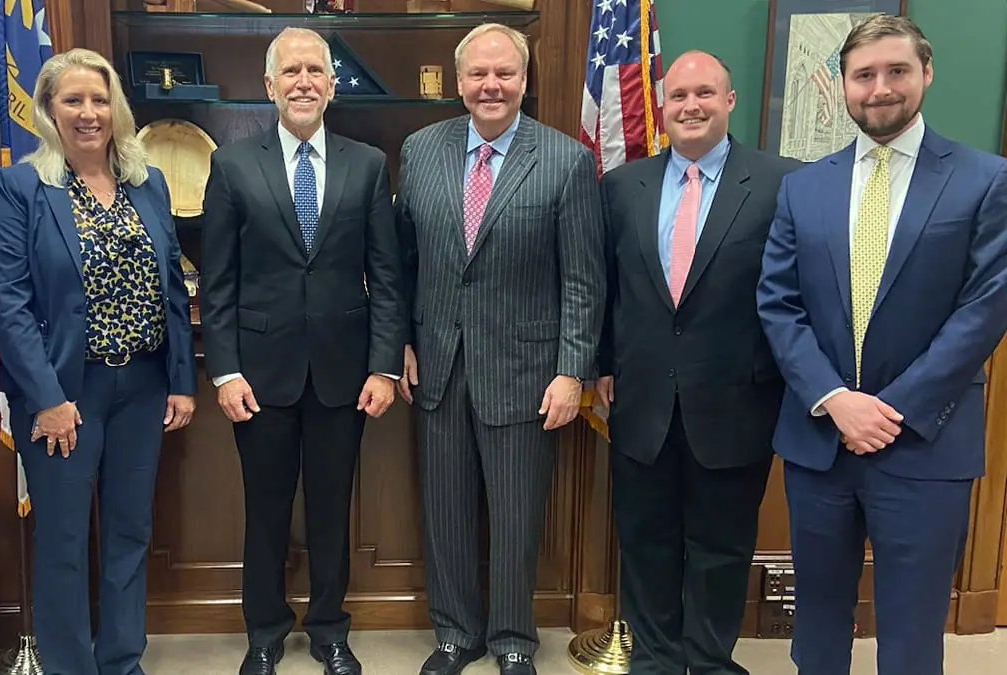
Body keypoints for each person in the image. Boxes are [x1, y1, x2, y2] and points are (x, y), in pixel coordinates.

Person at [756, 15, 1007, 675]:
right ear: (842, 85)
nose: (880, 88)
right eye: (863, 75)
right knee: (817, 620)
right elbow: (778, 304)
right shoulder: (802, 187)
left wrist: (889, 409)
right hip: (821, 442)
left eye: (896, 71)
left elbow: (984, 308)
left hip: (926, 441)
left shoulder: (985, 180)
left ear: (926, 72)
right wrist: (837, 399)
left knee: (911, 630)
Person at [395, 23, 605, 675]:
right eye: (478, 74)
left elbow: (583, 278)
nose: (491, 85)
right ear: (458, 83)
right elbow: (402, 259)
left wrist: (573, 370)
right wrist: (399, 339)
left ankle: (514, 637)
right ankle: (455, 633)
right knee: (446, 511)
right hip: (435, 362)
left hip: (525, 367)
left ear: (525, 80)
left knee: (516, 515)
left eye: (505, 74)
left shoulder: (566, 158)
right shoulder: (419, 150)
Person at [0, 47, 197, 675]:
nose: (88, 113)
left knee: (131, 534)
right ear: (49, 109)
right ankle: (71, 666)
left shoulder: (145, 180)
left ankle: (122, 660)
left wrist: (181, 380)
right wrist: (47, 399)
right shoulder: (23, 186)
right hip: (64, 395)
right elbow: (9, 302)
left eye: (99, 99)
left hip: (143, 385)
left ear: (116, 108)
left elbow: (172, 286)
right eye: (72, 100)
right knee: (65, 544)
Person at [199, 26, 403, 675]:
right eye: (291, 72)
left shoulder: (367, 163)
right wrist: (224, 369)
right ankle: (263, 631)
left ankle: (328, 629)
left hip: (345, 373)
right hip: (258, 375)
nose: (304, 82)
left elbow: (387, 274)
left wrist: (383, 363)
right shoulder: (232, 165)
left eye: (316, 70)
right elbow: (219, 279)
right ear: (269, 86)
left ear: (332, 84)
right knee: (264, 509)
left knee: (329, 510)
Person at [594, 51, 801, 675]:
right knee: (646, 545)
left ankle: (709, 660)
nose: (691, 106)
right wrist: (602, 362)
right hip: (640, 403)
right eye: (678, 94)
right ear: (663, 105)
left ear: (729, 101)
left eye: (705, 93)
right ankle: (655, 661)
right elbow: (607, 286)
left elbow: (798, 293)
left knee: (721, 550)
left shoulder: (780, 182)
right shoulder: (622, 186)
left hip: (736, 402)